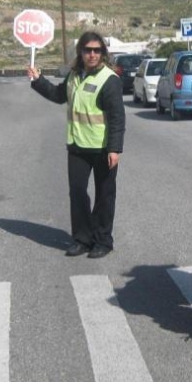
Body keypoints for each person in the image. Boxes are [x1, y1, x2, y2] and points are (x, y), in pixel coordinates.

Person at [26, 31, 125, 259]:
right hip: (77, 146)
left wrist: (114, 148)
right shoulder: (74, 76)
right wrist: (37, 80)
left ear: (102, 53)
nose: (92, 54)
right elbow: (58, 95)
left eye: (97, 50)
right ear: (80, 52)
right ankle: (82, 238)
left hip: (102, 149)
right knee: (78, 193)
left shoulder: (109, 80)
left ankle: (103, 240)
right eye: (87, 50)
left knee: (104, 196)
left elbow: (118, 118)